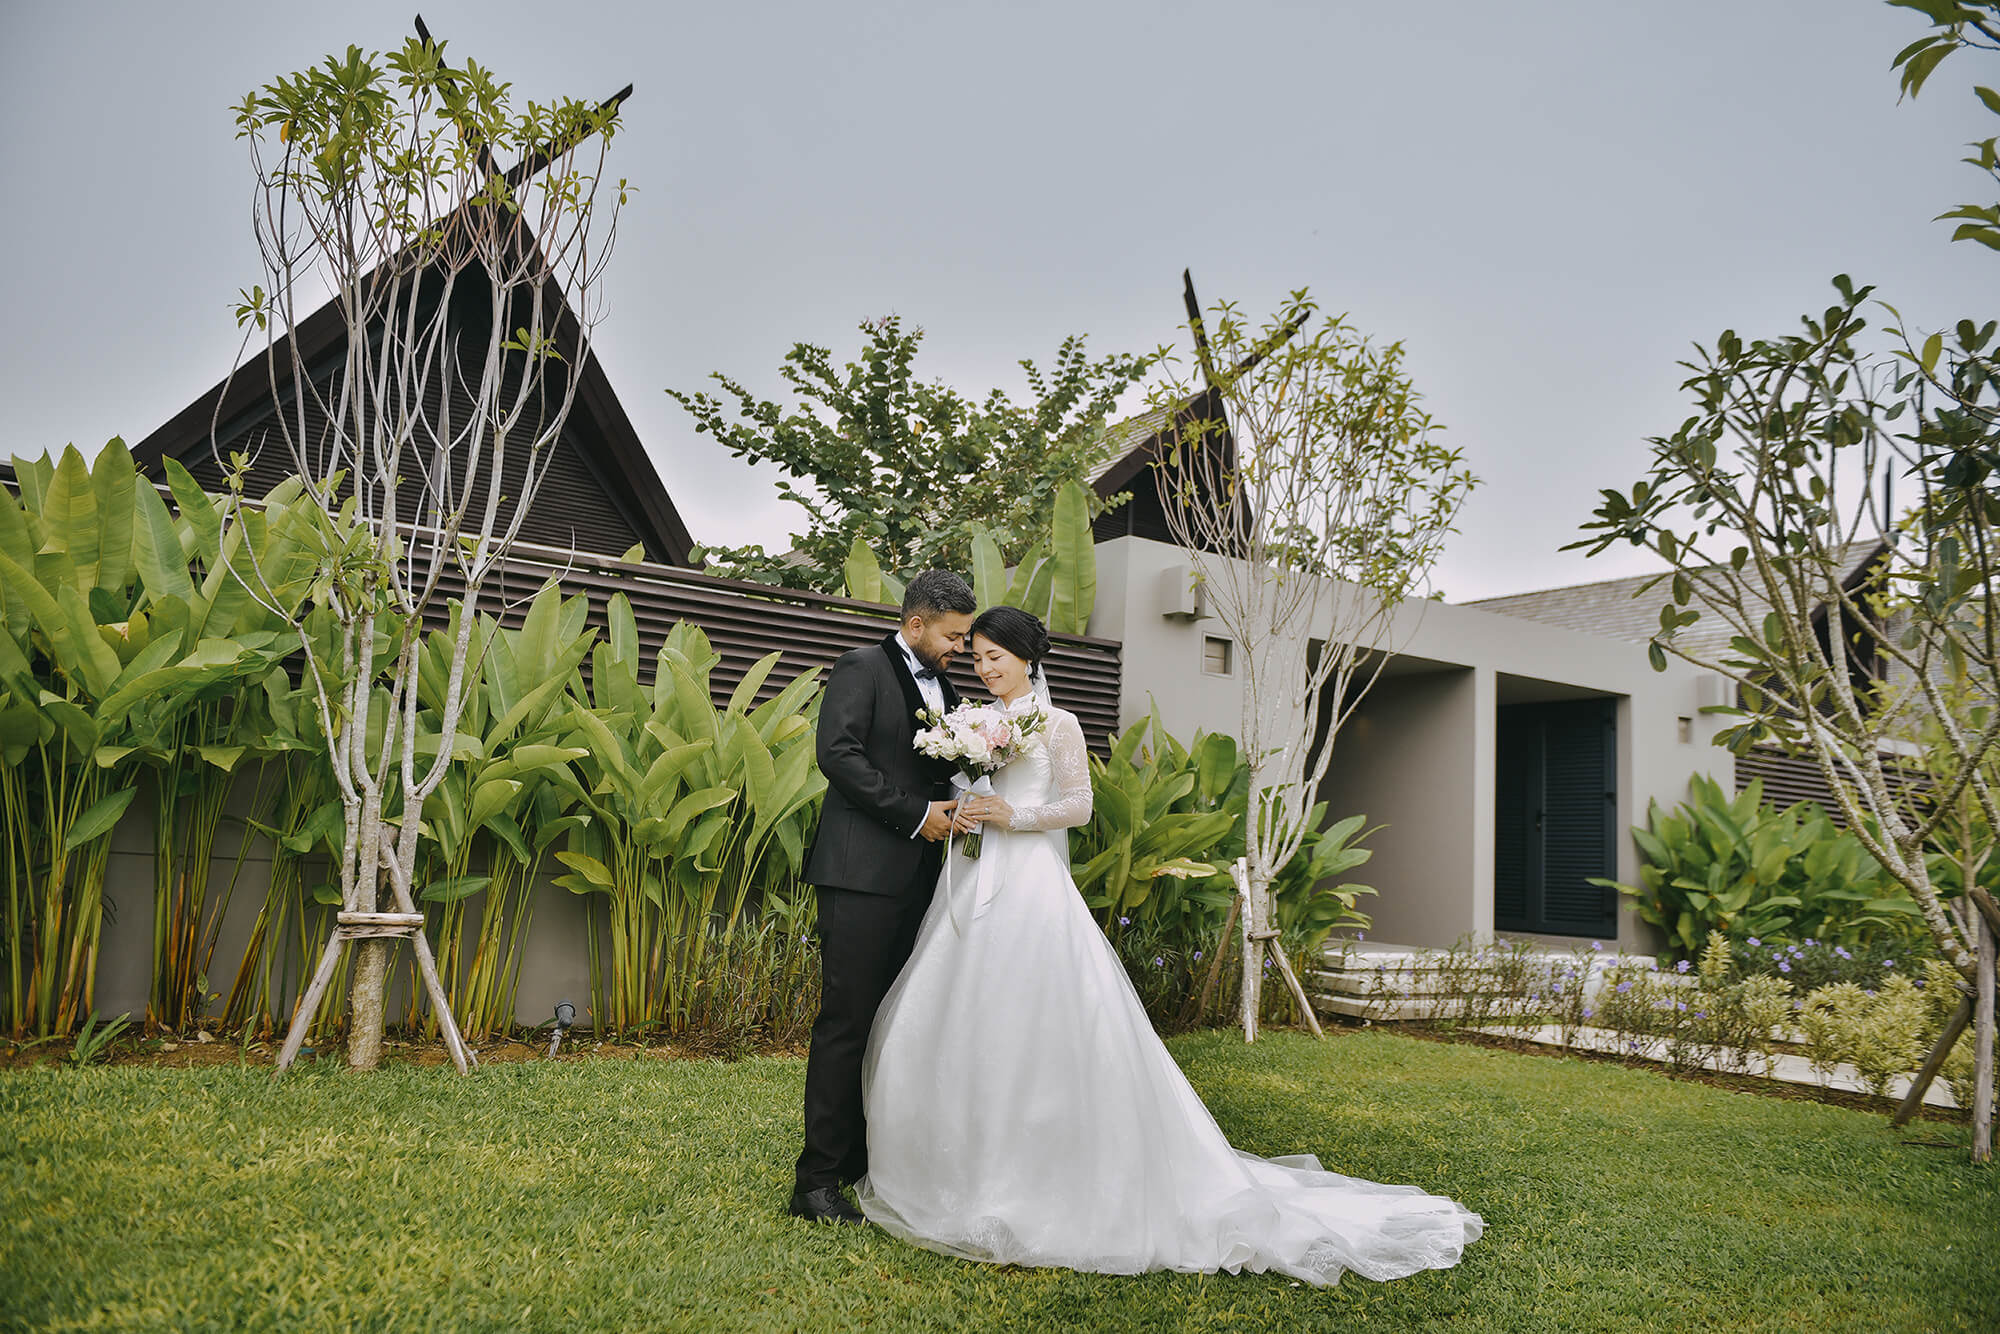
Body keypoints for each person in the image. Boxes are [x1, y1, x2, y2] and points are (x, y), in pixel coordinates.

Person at [853, 605, 1485, 1286]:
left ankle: (1049, 1172)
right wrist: (974, 801)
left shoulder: (1056, 723)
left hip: (1032, 885)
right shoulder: (976, 721)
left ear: (1026, 658)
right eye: (975, 657)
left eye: (993, 656)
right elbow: (977, 787)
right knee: (969, 1016)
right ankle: (961, 1166)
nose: (983, 667)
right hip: (980, 880)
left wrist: (1014, 814)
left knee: (1038, 1017)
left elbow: (1079, 806)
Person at [789, 570, 977, 1224]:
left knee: (894, 1024)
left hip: (918, 882)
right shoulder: (860, 666)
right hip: (859, 876)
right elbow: (837, 755)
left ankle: (862, 1160)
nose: (960, 648)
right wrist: (916, 814)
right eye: (952, 636)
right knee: (845, 1026)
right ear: (917, 624)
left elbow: (943, 768)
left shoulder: (948, 689)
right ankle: (814, 1183)